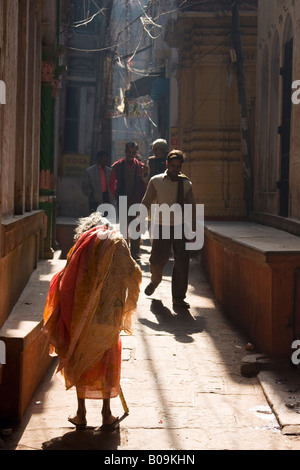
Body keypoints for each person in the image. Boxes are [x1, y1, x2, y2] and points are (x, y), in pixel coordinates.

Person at [42, 212, 142, 430]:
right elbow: (133, 271)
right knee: (107, 359)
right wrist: (122, 299)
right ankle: (107, 413)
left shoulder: (82, 247)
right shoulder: (117, 244)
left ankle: (81, 413)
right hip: (109, 315)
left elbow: (66, 279)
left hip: (82, 315)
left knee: (80, 357)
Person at [141, 150, 196, 309]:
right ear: (166, 164)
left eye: (178, 166)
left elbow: (192, 208)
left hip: (180, 226)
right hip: (160, 225)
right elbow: (146, 202)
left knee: (182, 262)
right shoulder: (156, 181)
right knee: (157, 259)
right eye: (172, 165)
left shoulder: (186, 184)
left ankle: (178, 298)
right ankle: (155, 280)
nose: (175, 169)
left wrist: (193, 229)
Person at [109, 142, 148, 260]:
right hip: (123, 201)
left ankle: (135, 253)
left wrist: (146, 173)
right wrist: (116, 195)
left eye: (133, 152)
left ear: (136, 153)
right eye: (129, 152)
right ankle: (124, 253)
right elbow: (111, 183)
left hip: (136, 201)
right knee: (124, 229)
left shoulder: (141, 167)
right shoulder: (117, 166)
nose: (131, 154)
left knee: (135, 228)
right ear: (125, 152)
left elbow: (146, 184)